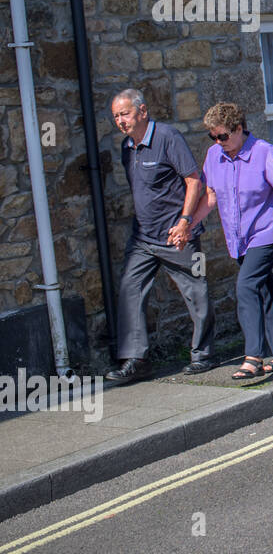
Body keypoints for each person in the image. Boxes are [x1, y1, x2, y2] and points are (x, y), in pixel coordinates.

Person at [189, 102, 273, 379]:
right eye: (214, 137)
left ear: (238, 128)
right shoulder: (214, 156)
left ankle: (253, 357)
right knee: (265, 290)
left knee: (246, 286)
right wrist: (188, 225)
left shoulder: (264, 153)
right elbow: (210, 198)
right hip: (238, 237)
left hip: (266, 232)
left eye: (223, 136)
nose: (219, 142)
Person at [107, 88, 217, 382]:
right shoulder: (127, 147)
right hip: (142, 238)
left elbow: (193, 181)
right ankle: (137, 360)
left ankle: (202, 355)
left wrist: (185, 222)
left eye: (125, 114)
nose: (120, 121)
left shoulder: (168, 137)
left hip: (177, 235)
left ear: (143, 111)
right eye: (116, 116)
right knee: (130, 292)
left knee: (197, 292)